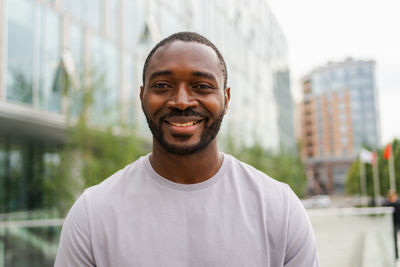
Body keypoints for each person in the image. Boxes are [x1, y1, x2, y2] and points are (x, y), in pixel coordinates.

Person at [54, 32, 319, 267]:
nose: (181, 101)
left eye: (202, 86)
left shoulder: (280, 208)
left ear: (225, 99)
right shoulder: (93, 214)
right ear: (142, 97)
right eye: (162, 86)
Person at [383, 190, 400, 259]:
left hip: (398, 223)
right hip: (393, 224)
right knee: (394, 240)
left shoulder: (398, 204)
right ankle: (396, 255)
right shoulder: (387, 205)